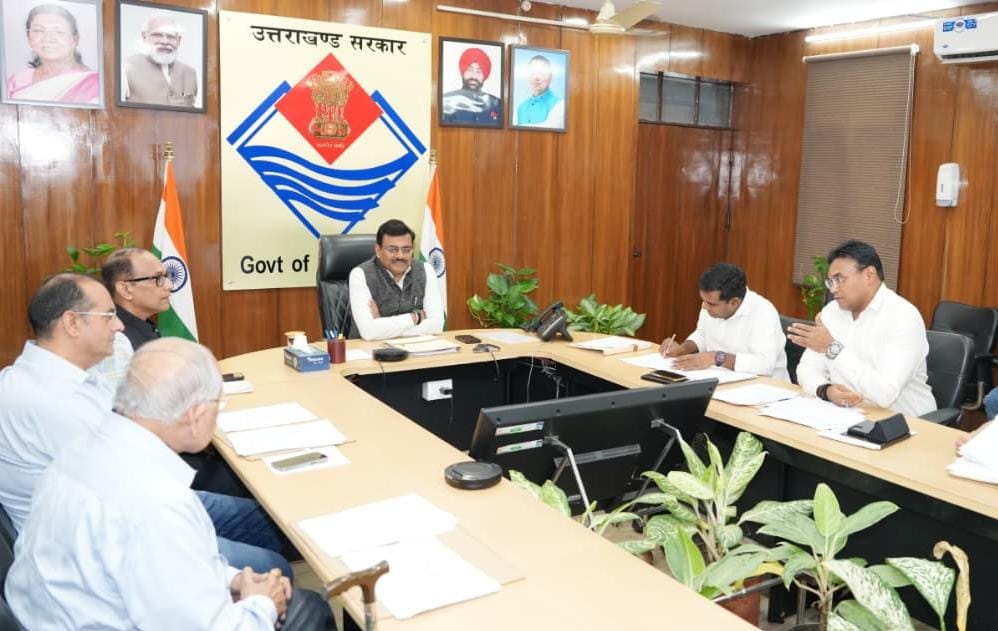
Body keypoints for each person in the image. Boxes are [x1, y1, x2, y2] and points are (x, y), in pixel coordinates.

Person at [4, 338, 335, 631]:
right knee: (310, 609)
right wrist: (261, 603)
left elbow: (166, 569)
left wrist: (234, 579)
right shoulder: (158, 504)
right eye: (217, 405)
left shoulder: (82, 448)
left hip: (53, 613)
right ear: (194, 414)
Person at [0, 273, 291, 578]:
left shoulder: (58, 377)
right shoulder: (52, 401)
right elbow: (132, 484)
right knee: (273, 563)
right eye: (108, 316)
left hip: (132, 506)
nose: (119, 325)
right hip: (103, 541)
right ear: (72, 323)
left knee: (276, 523)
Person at [789, 240, 936, 416]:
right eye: (831, 281)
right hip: (844, 416)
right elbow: (806, 369)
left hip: (904, 422)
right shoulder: (831, 312)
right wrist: (826, 390)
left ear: (869, 275)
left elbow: (885, 394)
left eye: (840, 280)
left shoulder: (903, 317)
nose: (833, 289)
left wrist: (833, 348)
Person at [659, 263, 788, 379]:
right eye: (703, 301)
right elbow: (702, 335)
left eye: (711, 304)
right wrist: (683, 348)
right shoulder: (710, 303)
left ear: (734, 302)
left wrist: (716, 357)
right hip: (720, 379)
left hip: (763, 387)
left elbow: (765, 365)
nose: (704, 307)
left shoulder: (763, 312)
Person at [349, 219, 445, 340]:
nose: (400, 256)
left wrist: (381, 325)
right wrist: (416, 317)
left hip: (415, 348)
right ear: (378, 250)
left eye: (406, 250)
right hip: (368, 350)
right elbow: (368, 332)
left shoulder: (426, 270)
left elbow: (437, 325)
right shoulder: (360, 275)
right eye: (392, 250)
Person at [5, 4, 100, 104]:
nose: (48, 38)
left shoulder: (95, 83)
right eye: (39, 31)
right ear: (28, 38)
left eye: (59, 31)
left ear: (75, 39)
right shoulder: (16, 82)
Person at [123, 13, 198, 107]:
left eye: (171, 36)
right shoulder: (125, 68)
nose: (165, 42)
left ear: (179, 40)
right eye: (157, 35)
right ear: (144, 37)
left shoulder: (190, 73)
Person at [441, 47, 502, 126]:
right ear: (463, 72)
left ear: (484, 75)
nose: (474, 76)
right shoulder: (446, 101)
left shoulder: (497, 104)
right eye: (470, 70)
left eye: (479, 71)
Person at [515, 55, 564, 128]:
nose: (536, 78)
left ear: (551, 77)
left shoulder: (560, 105)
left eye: (541, 73)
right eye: (532, 73)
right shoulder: (521, 107)